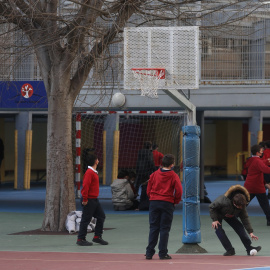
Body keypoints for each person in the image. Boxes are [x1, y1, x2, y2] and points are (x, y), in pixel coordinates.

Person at [145, 154, 183, 260]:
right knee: (164, 228)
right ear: (172, 164)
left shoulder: (154, 174)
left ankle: (149, 252)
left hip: (154, 202)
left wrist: (152, 197)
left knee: (153, 227)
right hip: (167, 203)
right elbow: (179, 190)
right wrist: (175, 201)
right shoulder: (174, 175)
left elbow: (148, 189)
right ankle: (162, 253)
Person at [209, 184, 261, 256]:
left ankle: (249, 248)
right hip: (218, 214)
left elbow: (245, 218)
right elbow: (212, 207)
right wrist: (214, 220)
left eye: (242, 207)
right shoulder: (222, 200)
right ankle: (230, 250)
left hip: (230, 215)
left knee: (240, 228)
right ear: (234, 203)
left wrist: (250, 232)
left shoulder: (242, 205)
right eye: (239, 207)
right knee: (219, 231)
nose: (240, 208)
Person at [76, 154, 108, 246]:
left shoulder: (93, 172)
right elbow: (85, 186)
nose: (98, 160)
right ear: (95, 161)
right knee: (86, 219)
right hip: (89, 199)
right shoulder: (89, 172)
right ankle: (81, 239)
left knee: (101, 216)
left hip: (94, 199)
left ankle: (97, 237)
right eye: (97, 158)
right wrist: (85, 199)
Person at [244, 144, 270, 226]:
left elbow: (259, 163)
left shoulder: (251, 160)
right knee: (265, 204)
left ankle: (233, 216)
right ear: (258, 153)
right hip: (257, 186)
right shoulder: (257, 161)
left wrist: (267, 160)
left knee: (244, 202)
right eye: (261, 151)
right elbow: (265, 169)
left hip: (249, 185)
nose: (262, 152)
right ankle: (269, 220)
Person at [136, 141, 156, 210]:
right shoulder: (149, 153)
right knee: (146, 186)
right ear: (150, 146)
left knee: (137, 185)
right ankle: (146, 202)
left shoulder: (140, 151)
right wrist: (155, 171)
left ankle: (135, 197)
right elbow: (151, 162)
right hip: (146, 171)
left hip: (139, 170)